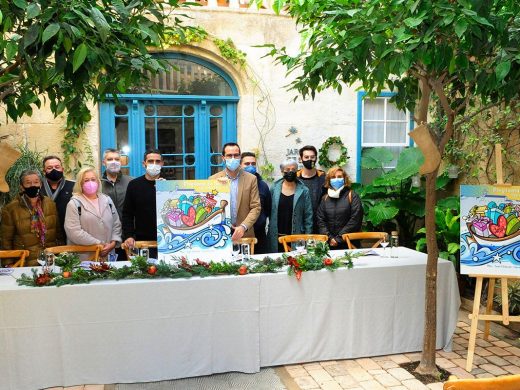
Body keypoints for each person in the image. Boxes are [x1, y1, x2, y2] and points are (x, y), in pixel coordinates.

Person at [1, 169, 62, 266]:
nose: (33, 185)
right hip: (24, 262)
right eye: (28, 183)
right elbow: (5, 240)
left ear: (41, 184)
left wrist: (61, 256)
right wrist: (8, 264)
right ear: (22, 187)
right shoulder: (11, 209)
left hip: (50, 260)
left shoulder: (50, 204)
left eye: (36, 182)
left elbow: (58, 233)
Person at [64, 167, 122, 260]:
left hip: (108, 254)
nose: (90, 183)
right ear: (80, 183)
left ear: (98, 182)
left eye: (93, 179)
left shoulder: (107, 200)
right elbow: (74, 232)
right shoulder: (74, 203)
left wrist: (113, 242)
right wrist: (99, 243)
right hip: (85, 257)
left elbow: (116, 224)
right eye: (86, 180)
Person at [209, 143, 261, 242]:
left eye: (236, 155)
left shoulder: (251, 179)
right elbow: (210, 207)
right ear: (223, 158)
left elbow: (256, 207)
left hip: (244, 233)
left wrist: (243, 226)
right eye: (229, 155)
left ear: (240, 157)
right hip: (220, 234)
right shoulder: (213, 179)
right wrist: (218, 188)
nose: (233, 158)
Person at [122, 149, 164, 258]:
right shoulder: (134, 185)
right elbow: (127, 214)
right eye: (150, 161)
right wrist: (129, 235)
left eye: (157, 161)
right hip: (141, 241)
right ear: (144, 163)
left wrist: (166, 190)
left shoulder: (170, 185)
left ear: (162, 164)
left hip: (166, 239)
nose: (154, 164)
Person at [267, 159, 313, 253]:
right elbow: (268, 210)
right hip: (276, 236)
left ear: (297, 171)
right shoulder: (274, 188)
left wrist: (308, 237)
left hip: (296, 236)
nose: (290, 172)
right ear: (282, 171)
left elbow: (308, 216)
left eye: (293, 169)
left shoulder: (304, 190)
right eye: (287, 169)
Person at [316, 167, 363, 249]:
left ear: (345, 179)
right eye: (333, 177)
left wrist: (339, 239)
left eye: (339, 177)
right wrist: (330, 238)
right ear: (329, 180)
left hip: (349, 244)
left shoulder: (352, 196)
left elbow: (356, 219)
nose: (336, 179)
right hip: (330, 244)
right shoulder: (325, 198)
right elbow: (320, 220)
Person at [101, 148, 132, 260]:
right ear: (103, 162)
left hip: (129, 237)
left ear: (121, 162)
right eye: (110, 159)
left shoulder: (131, 182)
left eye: (117, 159)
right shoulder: (98, 184)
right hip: (107, 240)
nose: (114, 162)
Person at [240, 152, 272, 254]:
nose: (251, 166)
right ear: (240, 165)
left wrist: (261, 220)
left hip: (259, 234)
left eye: (253, 164)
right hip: (239, 233)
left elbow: (268, 209)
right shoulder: (235, 184)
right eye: (247, 164)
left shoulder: (263, 186)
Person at [40, 155, 74, 239]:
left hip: (68, 232)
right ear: (44, 171)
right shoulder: (38, 187)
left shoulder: (73, 186)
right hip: (44, 233)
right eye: (50, 168)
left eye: (57, 167)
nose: (54, 170)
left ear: (62, 169)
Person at [296, 145, 326, 233]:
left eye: (312, 157)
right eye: (306, 157)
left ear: (316, 158)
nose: (310, 159)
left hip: (320, 223)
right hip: (300, 223)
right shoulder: (295, 178)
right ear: (301, 159)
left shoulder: (324, 178)